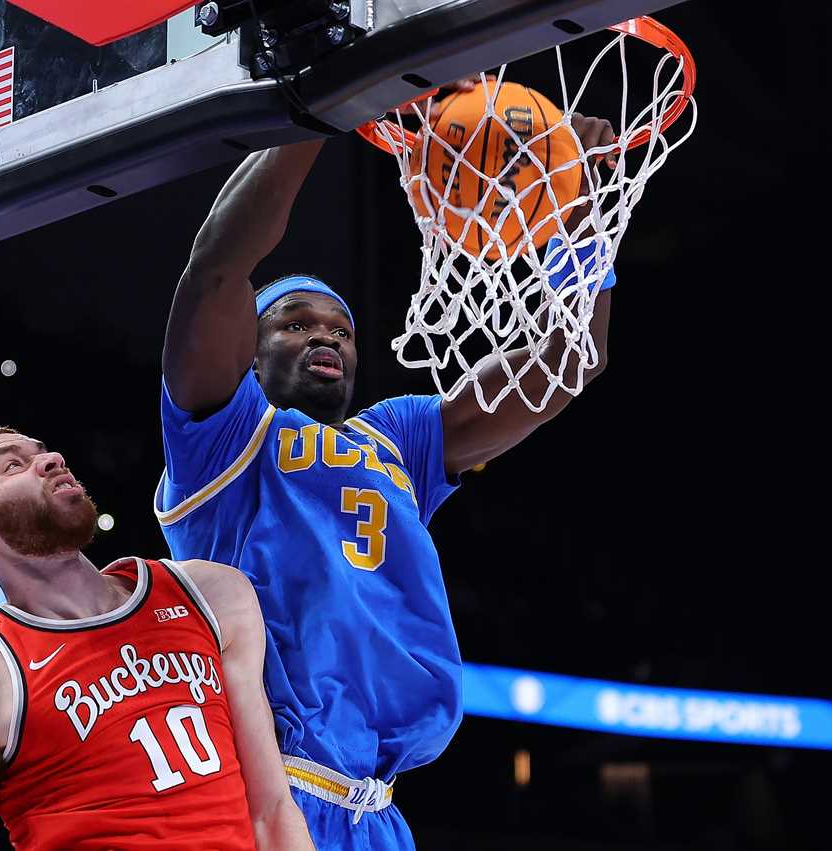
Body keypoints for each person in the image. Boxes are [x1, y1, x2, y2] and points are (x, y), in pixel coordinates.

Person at [156, 109, 617, 849]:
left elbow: (567, 364)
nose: (324, 336)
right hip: (259, 784)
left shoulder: (395, 437)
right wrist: (319, 104)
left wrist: (583, 209)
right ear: (250, 350)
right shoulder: (222, 434)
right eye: (296, 323)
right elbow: (216, 266)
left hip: (377, 809)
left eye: (340, 329)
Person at [0, 426, 315, 851]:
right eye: (14, 465)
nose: (50, 460)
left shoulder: (212, 595)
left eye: (43, 451)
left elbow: (271, 808)